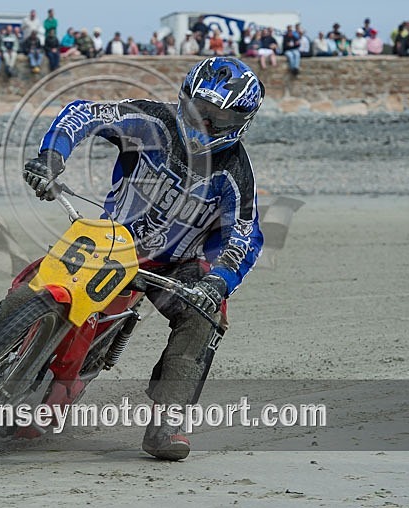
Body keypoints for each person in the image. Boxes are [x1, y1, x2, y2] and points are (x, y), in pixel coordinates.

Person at [18, 56, 265, 460]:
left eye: (216, 117)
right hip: (115, 238)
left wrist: (217, 282)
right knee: (41, 278)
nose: (203, 123)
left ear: (240, 122)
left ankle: (167, 421)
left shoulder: (236, 173)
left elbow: (243, 234)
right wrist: (51, 158)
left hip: (176, 264)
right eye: (198, 110)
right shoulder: (153, 122)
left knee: (208, 315)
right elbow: (83, 114)